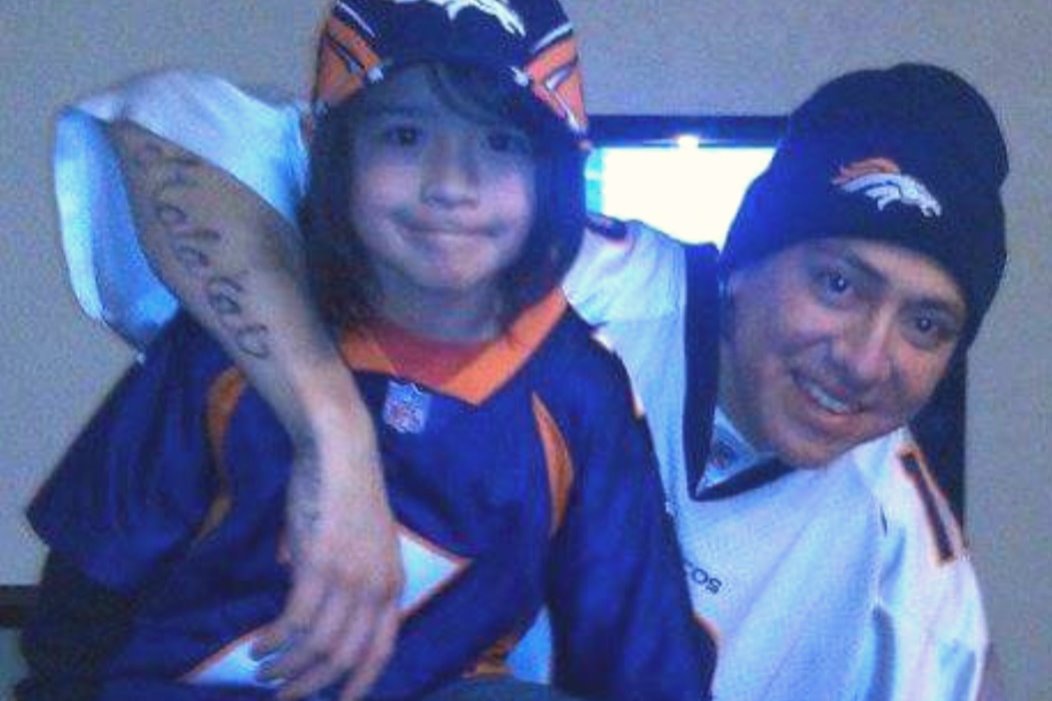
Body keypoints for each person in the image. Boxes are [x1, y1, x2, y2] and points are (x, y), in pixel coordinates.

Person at [44, 38, 1008, 701]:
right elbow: (165, 128)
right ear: (745, 260)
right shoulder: (525, 261)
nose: (866, 356)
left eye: (927, 323)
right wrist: (331, 428)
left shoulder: (906, 557)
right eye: (837, 282)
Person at [19, 2, 715, 700]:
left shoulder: (579, 386)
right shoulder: (236, 343)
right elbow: (87, 589)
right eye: (405, 135)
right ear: (334, 149)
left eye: (501, 143)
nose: (450, 185)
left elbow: (639, 655)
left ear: (556, 169)